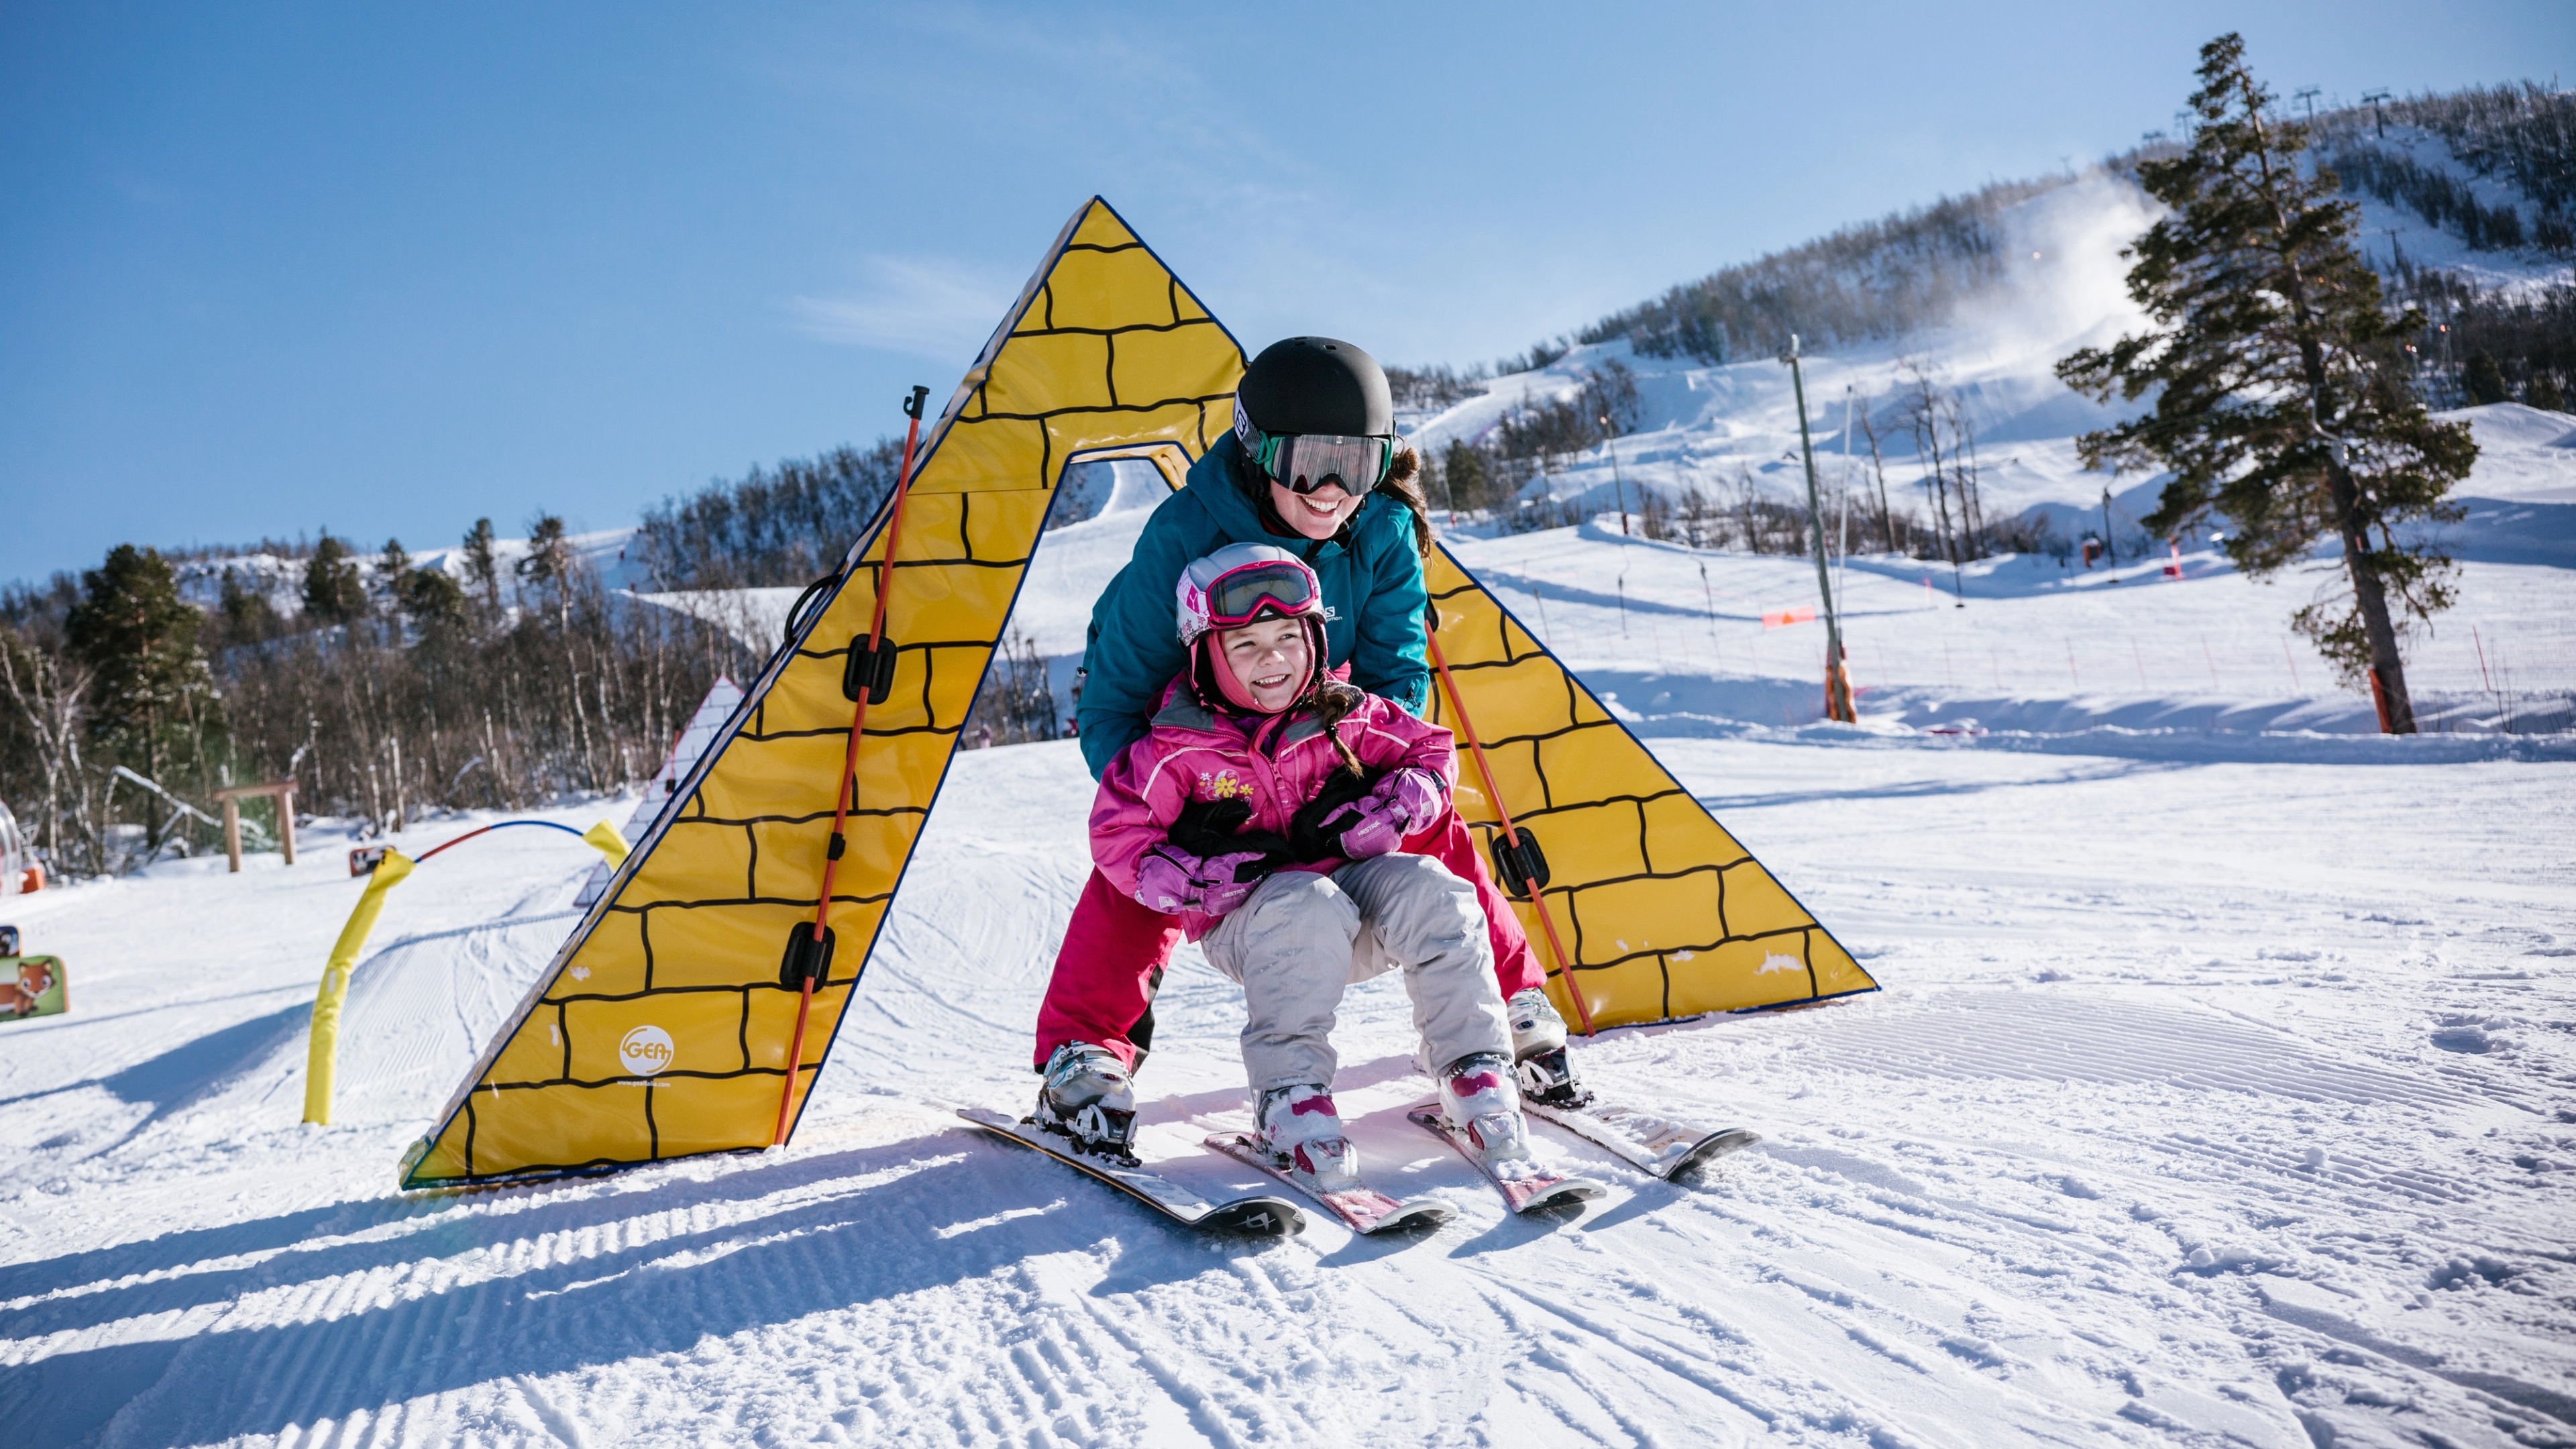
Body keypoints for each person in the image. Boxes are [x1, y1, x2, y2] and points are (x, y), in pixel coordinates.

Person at [1030, 338, 1585, 1157]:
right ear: (1258, 454)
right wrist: (1168, 807)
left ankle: (1510, 1005)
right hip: (1202, 743)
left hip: (1323, 728)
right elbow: (1115, 705)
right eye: (1306, 464)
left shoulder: (1384, 529)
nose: (1330, 492)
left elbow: (1399, 673)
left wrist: (1370, 774)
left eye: (1354, 465)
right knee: (1134, 865)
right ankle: (1083, 1051)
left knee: (1433, 828)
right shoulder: (1182, 532)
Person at [1063, 544, 1539, 1188]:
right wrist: (1200, 880)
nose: (1274, 660)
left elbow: (1429, 754)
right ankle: (1291, 1098)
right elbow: (1120, 838)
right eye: (1246, 646)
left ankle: (1474, 1070)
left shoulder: (1343, 712)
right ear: (1205, 653)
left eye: (1288, 636)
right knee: (1302, 902)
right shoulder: (1176, 750)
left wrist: (1390, 809)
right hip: (1254, 927)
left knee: (1436, 889)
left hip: (1352, 906)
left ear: (1313, 637)